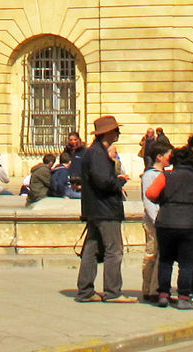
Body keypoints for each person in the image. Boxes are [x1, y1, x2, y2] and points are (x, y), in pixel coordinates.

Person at [145, 143, 193, 309]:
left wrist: (162, 200)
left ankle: (163, 295)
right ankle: (183, 297)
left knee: (166, 260)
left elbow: (150, 194)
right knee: (187, 263)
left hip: (166, 222)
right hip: (190, 225)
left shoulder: (166, 176)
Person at [73, 116, 127, 303]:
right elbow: (103, 181)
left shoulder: (94, 152)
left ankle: (85, 291)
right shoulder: (98, 154)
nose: (118, 133)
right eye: (116, 130)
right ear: (107, 133)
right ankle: (113, 292)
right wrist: (119, 182)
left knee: (92, 249)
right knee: (114, 250)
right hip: (105, 209)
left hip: (95, 208)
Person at [138, 139, 172, 303]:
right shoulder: (150, 175)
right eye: (168, 155)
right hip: (155, 221)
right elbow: (149, 201)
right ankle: (149, 289)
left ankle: (154, 287)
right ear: (159, 157)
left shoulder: (163, 174)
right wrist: (156, 220)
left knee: (158, 254)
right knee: (152, 253)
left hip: (161, 219)